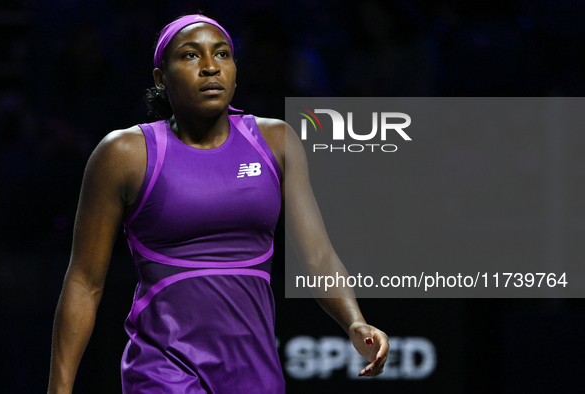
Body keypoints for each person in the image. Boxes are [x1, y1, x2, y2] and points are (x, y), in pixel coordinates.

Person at [47, 14, 388, 394]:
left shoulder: (276, 141)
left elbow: (318, 256)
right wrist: (59, 388)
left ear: (235, 71)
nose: (210, 66)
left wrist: (355, 322)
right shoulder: (125, 154)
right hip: (162, 370)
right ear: (161, 78)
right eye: (191, 56)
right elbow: (84, 282)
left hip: (255, 372)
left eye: (222, 54)